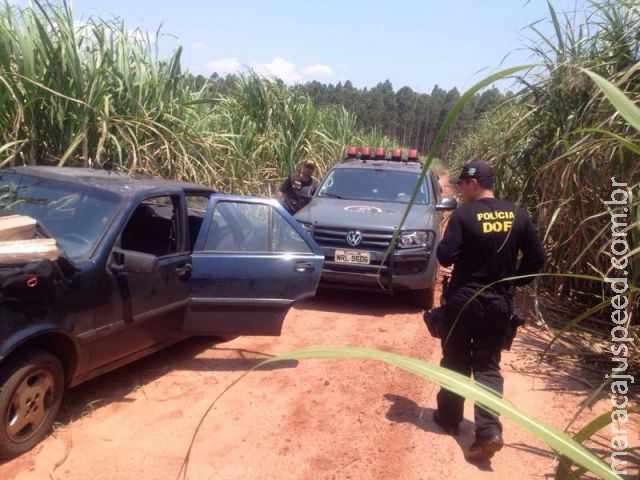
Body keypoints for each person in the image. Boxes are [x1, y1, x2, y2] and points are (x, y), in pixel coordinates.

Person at [432, 159, 545, 462]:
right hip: (498, 303)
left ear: (473, 183)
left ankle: (448, 417)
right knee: (487, 367)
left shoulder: (463, 215)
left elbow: (445, 257)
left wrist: (446, 234)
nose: (461, 190)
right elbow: (537, 257)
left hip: (464, 301)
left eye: (462, 185)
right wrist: (514, 281)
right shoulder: (518, 215)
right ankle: (489, 432)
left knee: (455, 359)